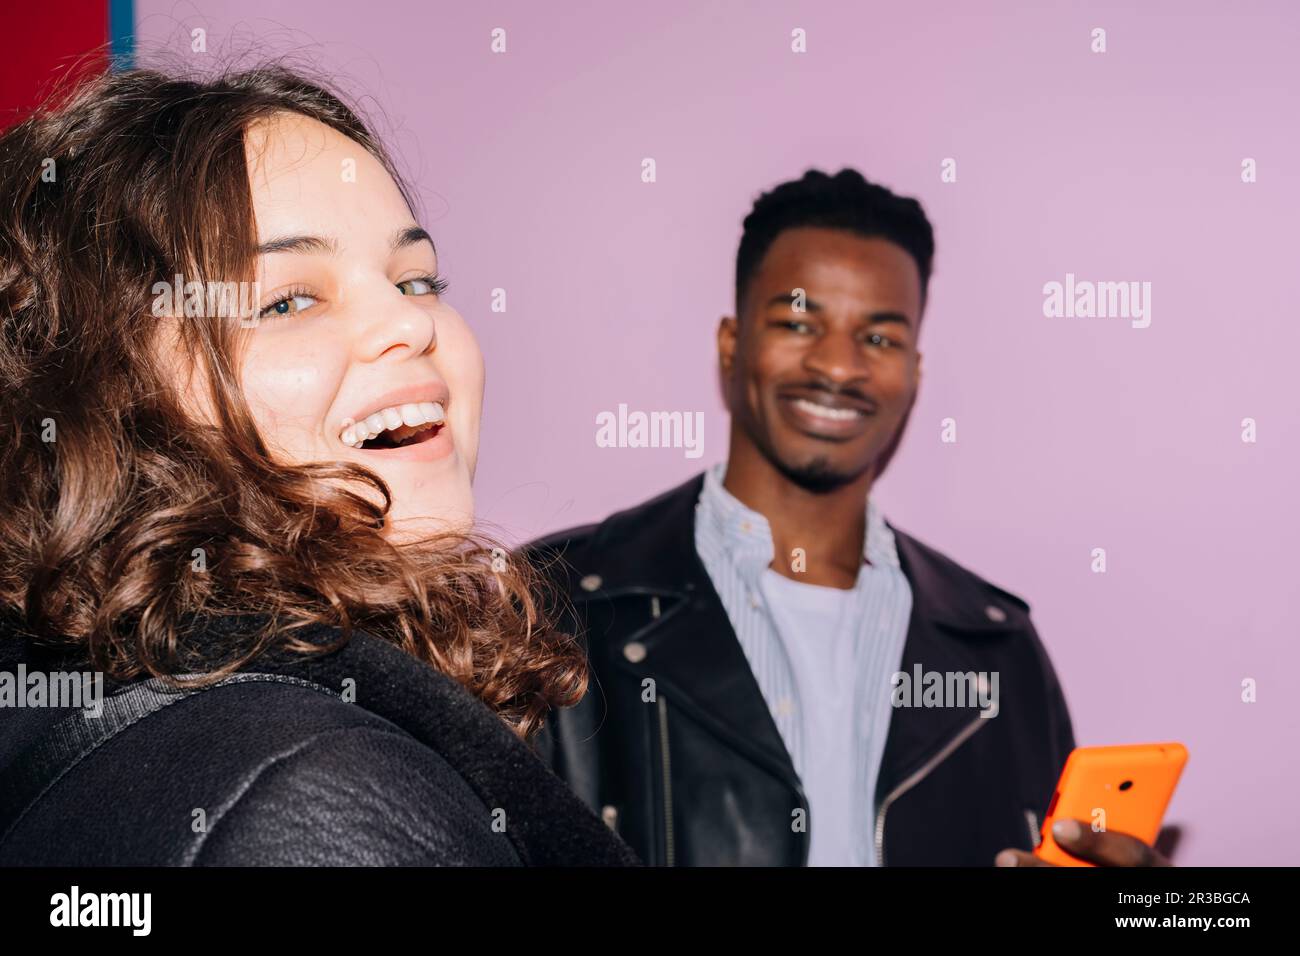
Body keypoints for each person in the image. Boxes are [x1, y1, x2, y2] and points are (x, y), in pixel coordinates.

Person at [0, 64, 638, 867]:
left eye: (416, 279)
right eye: (288, 301)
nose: (408, 320)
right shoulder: (314, 789)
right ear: (103, 397)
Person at [529, 169, 1170, 867]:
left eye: (880, 338)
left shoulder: (998, 646)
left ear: (914, 373)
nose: (838, 365)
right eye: (799, 322)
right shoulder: (555, 603)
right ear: (730, 343)